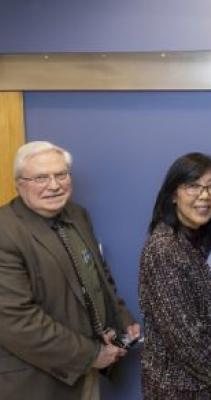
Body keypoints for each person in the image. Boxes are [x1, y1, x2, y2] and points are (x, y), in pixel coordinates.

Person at [0, 141, 140, 400]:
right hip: (35, 382)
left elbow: (98, 276)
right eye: (41, 177)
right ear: (19, 183)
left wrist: (121, 318)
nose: (54, 185)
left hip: (84, 375)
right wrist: (91, 355)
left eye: (61, 174)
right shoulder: (5, 231)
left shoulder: (77, 215)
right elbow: (15, 321)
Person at [139, 152, 211, 400]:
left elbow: (202, 294)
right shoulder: (164, 249)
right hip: (176, 388)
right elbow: (183, 337)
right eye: (193, 186)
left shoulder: (202, 239)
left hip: (205, 383)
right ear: (173, 194)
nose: (204, 195)